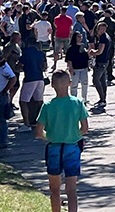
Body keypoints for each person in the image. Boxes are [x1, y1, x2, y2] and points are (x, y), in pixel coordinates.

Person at [35, 70, 89, 212]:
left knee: (54, 189)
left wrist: (51, 136)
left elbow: (39, 132)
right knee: (71, 189)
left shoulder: (47, 106)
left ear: (52, 85)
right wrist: (73, 135)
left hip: (54, 148)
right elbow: (84, 128)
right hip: (72, 147)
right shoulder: (77, 103)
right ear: (70, 83)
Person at [18, 39, 48, 133]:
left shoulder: (26, 53)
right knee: (39, 101)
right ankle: (44, 122)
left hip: (29, 79)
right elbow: (44, 67)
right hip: (40, 78)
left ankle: (27, 124)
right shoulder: (41, 53)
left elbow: (19, 66)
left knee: (23, 102)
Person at [89, 22, 111, 108]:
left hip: (101, 61)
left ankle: (102, 98)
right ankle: (103, 98)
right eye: (101, 29)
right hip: (105, 61)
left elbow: (100, 51)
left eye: (104, 29)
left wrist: (93, 52)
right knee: (102, 80)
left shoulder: (103, 38)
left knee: (96, 80)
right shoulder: (105, 36)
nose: (102, 30)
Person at [65, 32, 89, 103]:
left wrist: (88, 66)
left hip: (84, 68)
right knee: (74, 85)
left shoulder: (83, 46)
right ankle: (73, 98)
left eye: (81, 37)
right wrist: (71, 69)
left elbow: (86, 57)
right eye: (78, 37)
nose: (80, 38)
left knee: (85, 83)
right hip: (75, 69)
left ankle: (84, 98)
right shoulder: (71, 48)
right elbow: (69, 60)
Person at [52, 7, 73, 71]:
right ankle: (68, 65)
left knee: (56, 51)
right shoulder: (69, 19)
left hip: (58, 35)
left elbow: (55, 25)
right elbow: (70, 27)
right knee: (67, 52)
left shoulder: (56, 18)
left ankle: (55, 64)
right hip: (66, 36)